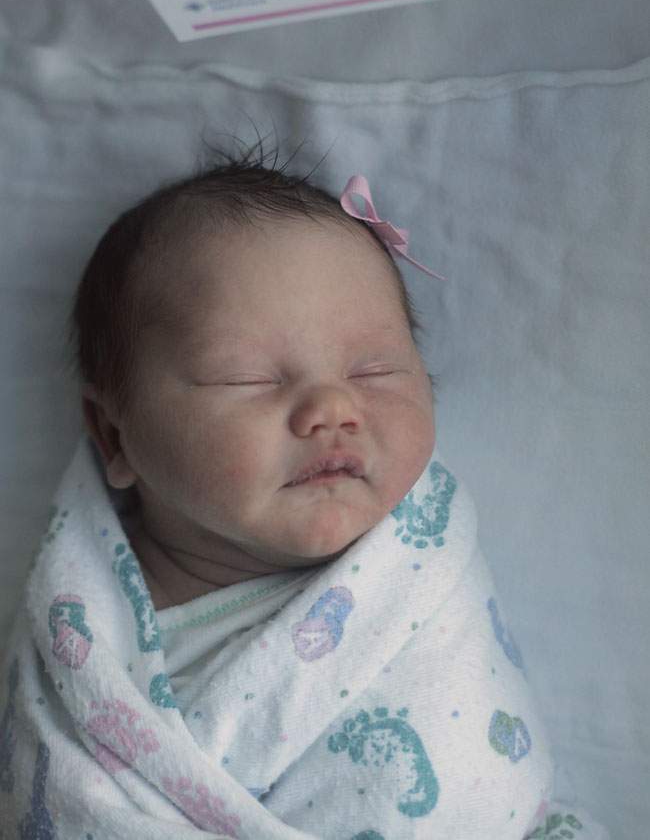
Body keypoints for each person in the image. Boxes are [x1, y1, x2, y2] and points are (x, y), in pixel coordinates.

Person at [0, 158, 606, 839]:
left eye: (373, 369)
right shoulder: (81, 636)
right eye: (246, 377)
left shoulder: (420, 577)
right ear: (115, 436)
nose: (332, 407)